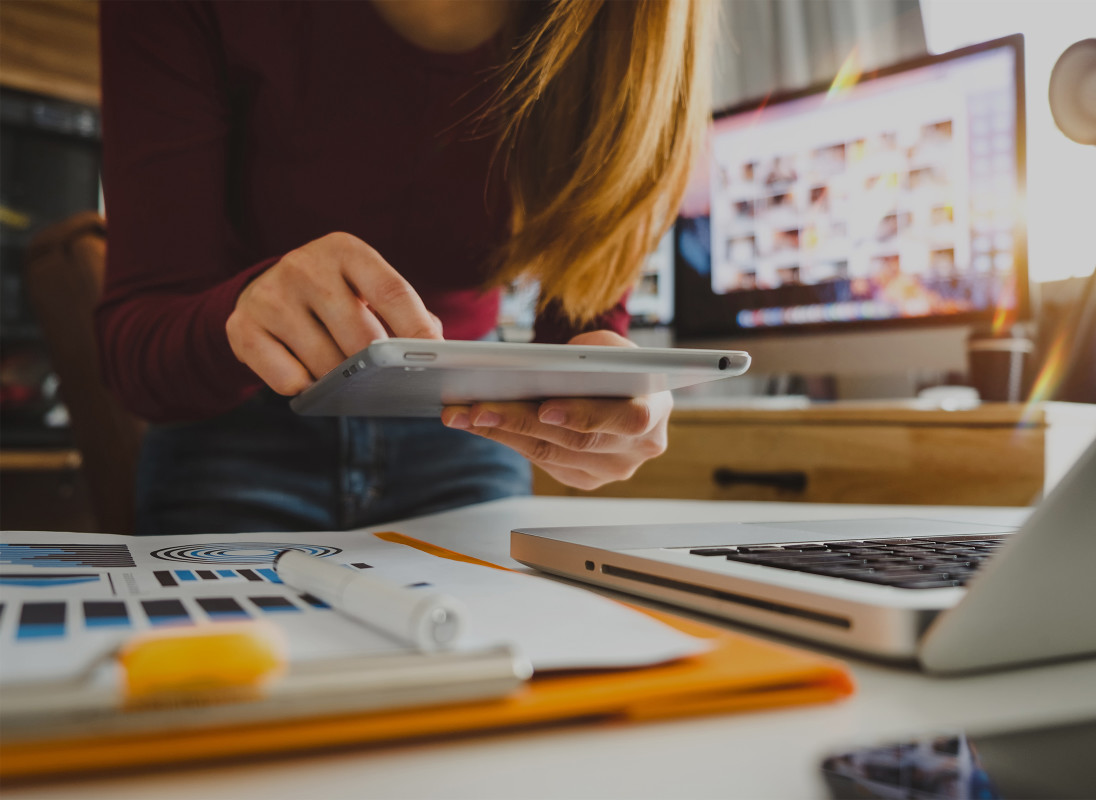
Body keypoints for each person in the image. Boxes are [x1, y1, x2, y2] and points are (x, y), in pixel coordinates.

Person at [96, 0, 715, 535]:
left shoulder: (630, 34)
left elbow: (580, 332)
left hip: (467, 433)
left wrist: (604, 405)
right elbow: (136, 355)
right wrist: (242, 316)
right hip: (230, 436)